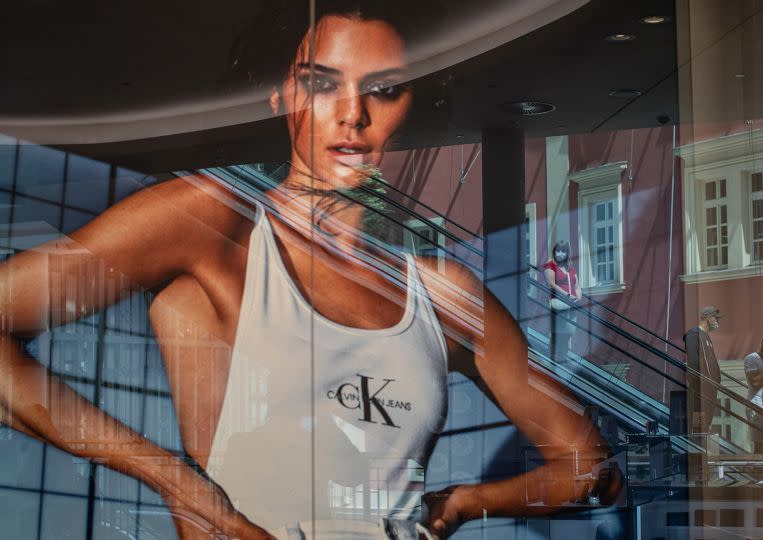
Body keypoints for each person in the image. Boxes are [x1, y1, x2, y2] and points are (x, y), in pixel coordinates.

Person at [0, 3, 619, 539]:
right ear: (280, 96)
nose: (353, 115)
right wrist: (170, 478)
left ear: (411, 107)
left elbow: (589, 468)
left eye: (383, 89)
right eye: (323, 84)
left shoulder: (442, 293)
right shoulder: (215, 223)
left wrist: (460, 503)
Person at [542, 240, 581, 375]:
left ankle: (562, 363)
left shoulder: (569, 267)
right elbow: (551, 284)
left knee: (567, 334)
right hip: (558, 304)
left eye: (563, 251)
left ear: (567, 253)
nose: (560, 254)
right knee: (557, 335)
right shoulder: (550, 264)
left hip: (571, 306)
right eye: (558, 250)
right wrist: (567, 295)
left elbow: (577, 284)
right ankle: (552, 366)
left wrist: (578, 296)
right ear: (554, 251)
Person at [682, 306, 722, 434]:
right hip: (701, 388)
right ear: (709, 318)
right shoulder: (693, 334)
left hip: (709, 387)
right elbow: (693, 362)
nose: (717, 321)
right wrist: (700, 383)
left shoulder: (706, 336)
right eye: (716, 318)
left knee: (706, 422)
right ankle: (698, 444)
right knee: (699, 425)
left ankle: (703, 438)